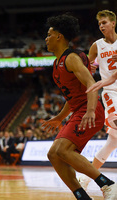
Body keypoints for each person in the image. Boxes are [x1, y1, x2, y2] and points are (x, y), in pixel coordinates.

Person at [42, 14, 117, 200]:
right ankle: (82, 197)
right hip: (79, 109)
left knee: (62, 150)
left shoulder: (71, 58)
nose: (46, 38)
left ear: (59, 36)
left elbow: (91, 84)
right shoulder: (56, 62)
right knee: (53, 154)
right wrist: (60, 117)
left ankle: (108, 185)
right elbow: (72, 95)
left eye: (49, 34)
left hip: (91, 109)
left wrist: (91, 110)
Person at [78, 10, 117, 191]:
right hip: (110, 92)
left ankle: (86, 179)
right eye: (99, 24)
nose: (101, 26)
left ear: (113, 23)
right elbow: (85, 68)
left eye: (104, 22)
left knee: (111, 144)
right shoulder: (96, 46)